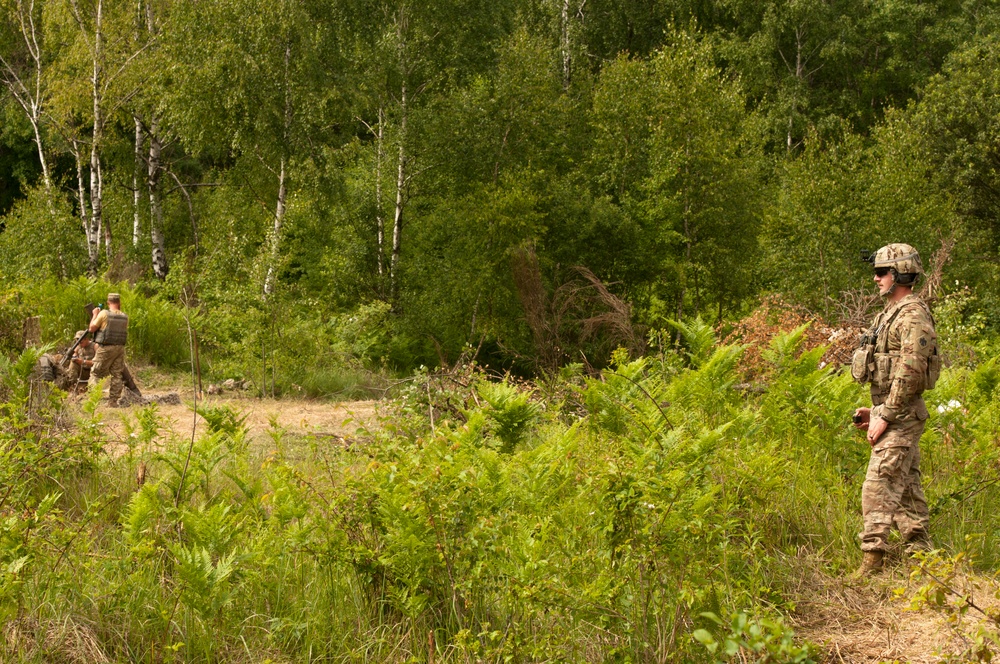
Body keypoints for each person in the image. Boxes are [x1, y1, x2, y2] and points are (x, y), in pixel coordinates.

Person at [850, 243, 940, 575]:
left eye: (880, 272)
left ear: (899, 274)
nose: (875, 279)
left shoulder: (913, 314)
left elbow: (910, 371)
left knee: (878, 486)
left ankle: (872, 564)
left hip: (901, 417)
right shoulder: (890, 313)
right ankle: (923, 561)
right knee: (907, 490)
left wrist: (884, 416)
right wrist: (876, 411)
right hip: (894, 411)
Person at [88, 293, 129, 406]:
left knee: (96, 373)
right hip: (120, 348)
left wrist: (94, 315)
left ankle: (93, 400)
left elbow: (91, 328)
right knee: (117, 374)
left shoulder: (104, 313)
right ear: (119, 303)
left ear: (108, 302)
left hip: (106, 347)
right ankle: (113, 401)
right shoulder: (125, 316)